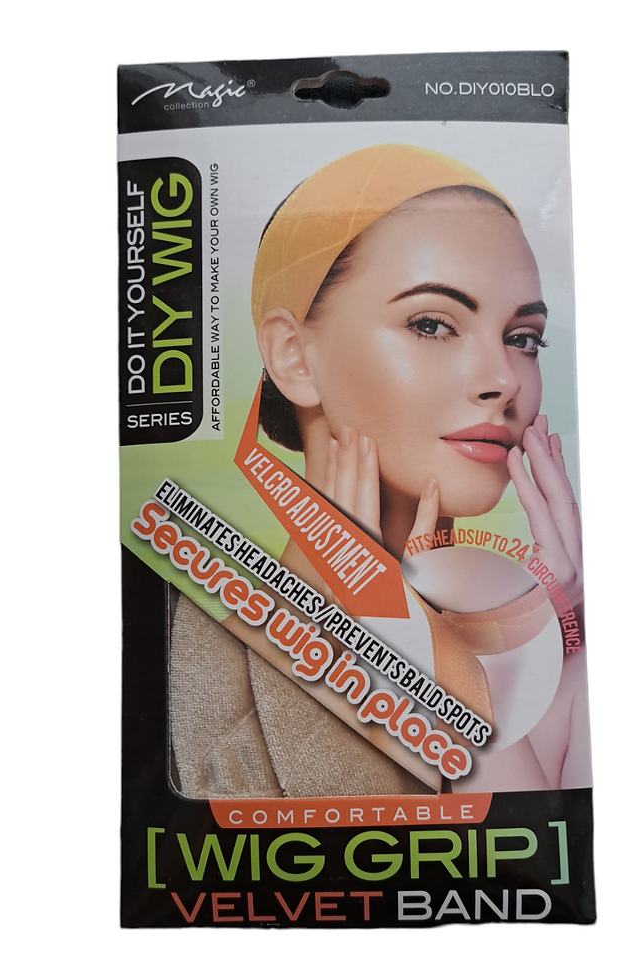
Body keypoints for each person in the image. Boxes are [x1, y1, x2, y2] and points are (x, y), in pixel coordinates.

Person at [247, 145, 591, 793]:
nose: (502, 380)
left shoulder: (566, 652)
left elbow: (523, 851)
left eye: (523, 339)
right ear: (293, 356)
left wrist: (537, 633)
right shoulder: (205, 656)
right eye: (432, 324)